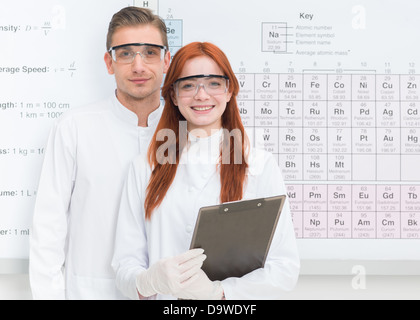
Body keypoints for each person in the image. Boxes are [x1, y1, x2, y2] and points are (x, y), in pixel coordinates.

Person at [112, 41, 300, 300]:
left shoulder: (260, 166)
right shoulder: (144, 167)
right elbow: (124, 265)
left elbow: (284, 269)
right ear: (174, 95)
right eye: (188, 85)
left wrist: (219, 293)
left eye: (213, 83)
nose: (201, 95)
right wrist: (147, 281)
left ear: (229, 90)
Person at [29, 6, 170, 300]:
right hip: (92, 291)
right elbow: (48, 228)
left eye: (150, 52)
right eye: (126, 53)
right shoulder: (74, 128)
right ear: (110, 62)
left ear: (166, 60)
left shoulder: (190, 131)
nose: (139, 65)